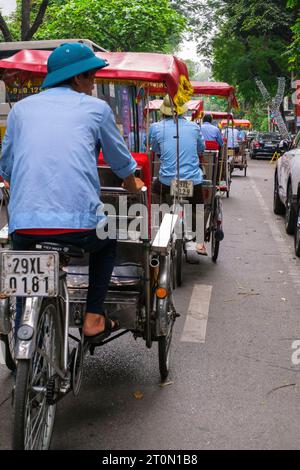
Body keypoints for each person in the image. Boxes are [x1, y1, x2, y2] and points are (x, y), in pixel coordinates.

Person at [0, 42, 144, 343]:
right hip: (78, 227)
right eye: (91, 77)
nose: (93, 84)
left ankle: (20, 326)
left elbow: (7, 167)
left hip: (24, 225)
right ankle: (93, 317)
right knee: (108, 240)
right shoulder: (96, 109)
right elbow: (120, 162)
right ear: (77, 78)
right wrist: (133, 184)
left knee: (25, 270)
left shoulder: (21, 110)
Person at [149, 94, 207, 256]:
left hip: (167, 182)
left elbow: (156, 150)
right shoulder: (194, 127)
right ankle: (200, 240)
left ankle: (159, 226)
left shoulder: (156, 127)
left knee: (155, 192)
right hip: (191, 182)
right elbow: (200, 149)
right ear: (182, 111)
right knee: (198, 207)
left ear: (164, 111)